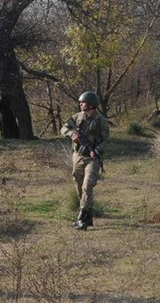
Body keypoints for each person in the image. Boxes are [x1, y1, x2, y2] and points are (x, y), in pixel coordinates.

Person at [60, 91, 110, 231]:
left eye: (83, 102)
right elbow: (63, 128)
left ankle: (81, 218)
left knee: (87, 186)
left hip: (92, 159)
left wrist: (97, 151)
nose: (80, 104)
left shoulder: (101, 121)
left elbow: (106, 140)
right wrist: (72, 134)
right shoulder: (77, 117)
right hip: (78, 156)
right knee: (78, 184)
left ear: (91, 105)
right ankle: (88, 216)